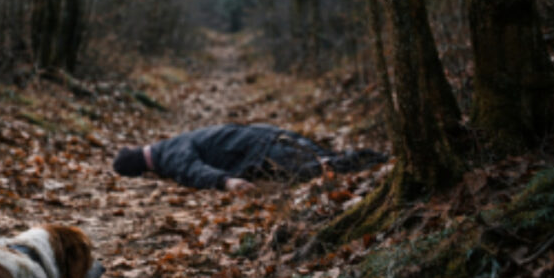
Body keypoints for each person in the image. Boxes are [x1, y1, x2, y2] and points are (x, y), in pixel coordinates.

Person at [112, 123, 388, 191]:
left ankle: (386, 162)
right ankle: (385, 160)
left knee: (327, 166)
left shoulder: (169, 155)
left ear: (141, 171)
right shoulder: (166, 145)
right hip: (267, 137)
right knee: (331, 161)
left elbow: (194, 170)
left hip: (265, 150)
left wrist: (226, 183)